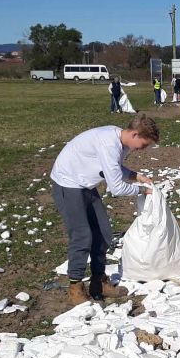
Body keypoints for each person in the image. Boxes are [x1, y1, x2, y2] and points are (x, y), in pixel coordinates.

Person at [50, 114, 159, 304]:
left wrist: (137, 176)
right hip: (68, 183)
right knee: (82, 235)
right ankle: (75, 287)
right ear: (134, 134)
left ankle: (99, 282)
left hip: (85, 185)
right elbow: (116, 188)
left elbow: (113, 168)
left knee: (103, 232)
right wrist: (142, 190)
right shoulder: (109, 144)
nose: (144, 149)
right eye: (144, 144)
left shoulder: (120, 142)